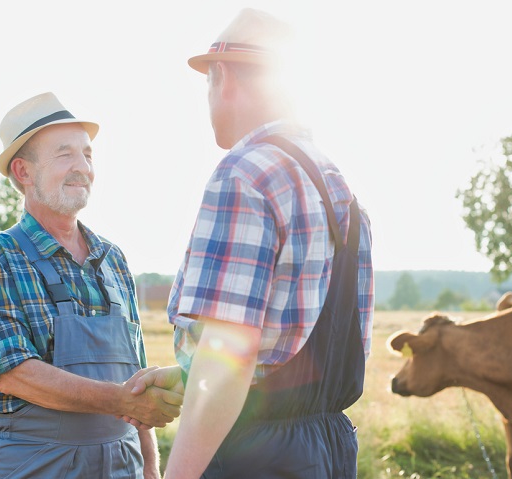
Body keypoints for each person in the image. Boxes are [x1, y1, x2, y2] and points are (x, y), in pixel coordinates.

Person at [130, 8, 375, 478]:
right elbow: (298, 348)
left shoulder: (245, 174)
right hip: (329, 446)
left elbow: (234, 358)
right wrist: (191, 373)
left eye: (206, 82)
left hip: (255, 454)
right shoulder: (340, 189)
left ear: (223, 76)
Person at [0, 92, 182, 479]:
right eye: (65, 155)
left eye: (88, 154)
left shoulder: (113, 260)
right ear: (23, 172)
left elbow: (136, 372)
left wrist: (151, 471)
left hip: (123, 466)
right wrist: (121, 399)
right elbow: (13, 371)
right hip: (36, 466)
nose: (83, 168)